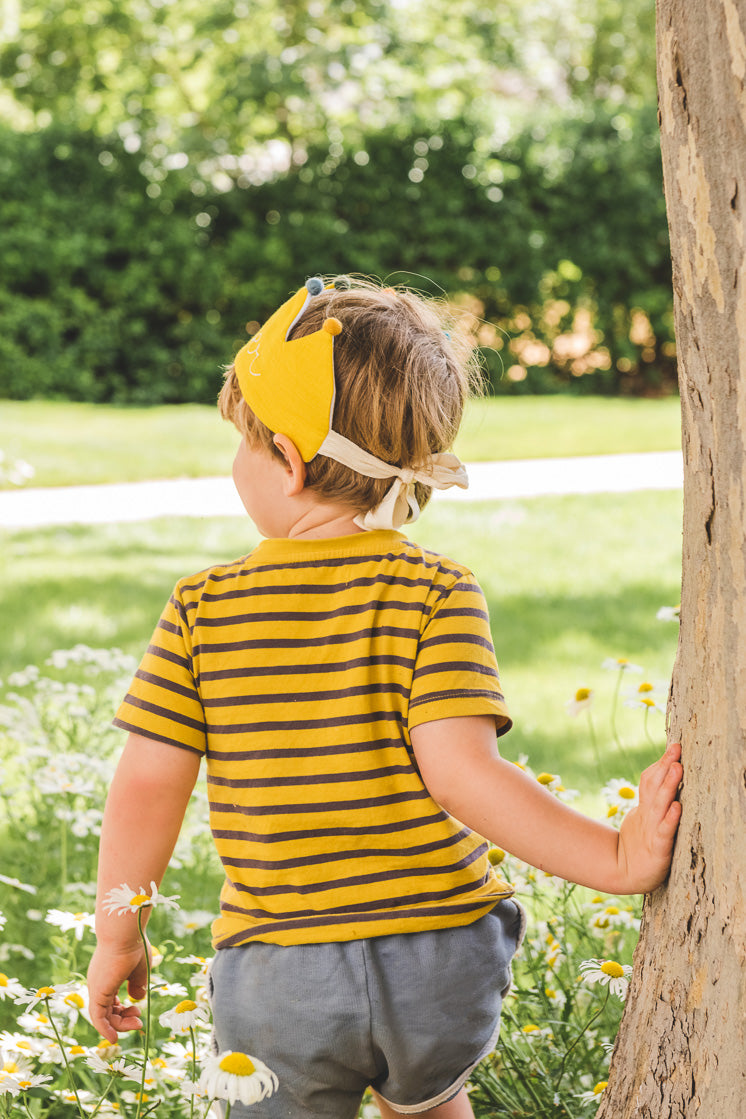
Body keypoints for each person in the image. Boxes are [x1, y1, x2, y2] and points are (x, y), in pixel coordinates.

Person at [87, 276, 683, 1119]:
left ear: (287, 464)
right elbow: (463, 774)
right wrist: (614, 858)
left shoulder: (202, 607)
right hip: (439, 959)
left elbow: (149, 782)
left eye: (244, 443)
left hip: (281, 975)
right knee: (434, 1099)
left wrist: (120, 928)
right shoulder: (437, 590)